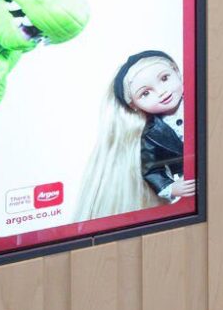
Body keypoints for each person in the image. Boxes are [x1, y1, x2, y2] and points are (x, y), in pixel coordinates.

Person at [75, 50, 194, 222]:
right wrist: (172, 187)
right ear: (134, 105)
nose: (161, 92)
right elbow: (153, 169)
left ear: (176, 71)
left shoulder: (199, 97)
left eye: (165, 78)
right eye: (145, 93)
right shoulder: (151, 135)